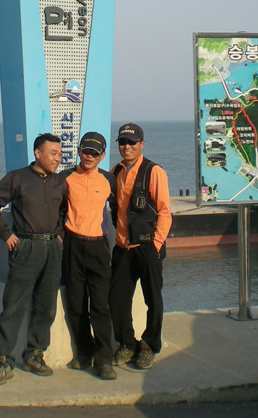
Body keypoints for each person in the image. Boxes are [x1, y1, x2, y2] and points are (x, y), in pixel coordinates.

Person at [0, 133, 67, 386]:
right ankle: (4, 362)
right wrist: (5, 234)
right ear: (38, 154)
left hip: (52, 249)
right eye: (53, 153)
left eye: (60, 153)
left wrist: (60, 235)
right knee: (13, 306)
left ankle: (34, 355)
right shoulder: (17, 178)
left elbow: (64, 210)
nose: (58, 158)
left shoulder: (60, 182)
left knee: (46, 307)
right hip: (25, 247)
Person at [108, 122, 172, 371]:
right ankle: (127, 343)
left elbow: (164, 212)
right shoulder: (116, 171)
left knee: (153, 299)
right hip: (122, 248)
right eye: (123, 142)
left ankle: (149, 345)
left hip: (147, 248)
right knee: (117, 299)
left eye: (132, 142)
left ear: (141, 144)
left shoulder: (154, 171)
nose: (127, 147)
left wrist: (155, 245)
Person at [60, 131, 117, 381]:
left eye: (94, 153)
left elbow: (119, 208)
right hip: (72, 245)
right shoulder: (65, 178)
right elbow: (56, 209)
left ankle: (104, 359)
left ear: (102, 156)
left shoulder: (109, 180)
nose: (89, 156)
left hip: (98, 247)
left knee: (101, 305)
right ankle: (84, 352)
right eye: (86, 151)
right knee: (75, 305)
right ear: (78, 151)